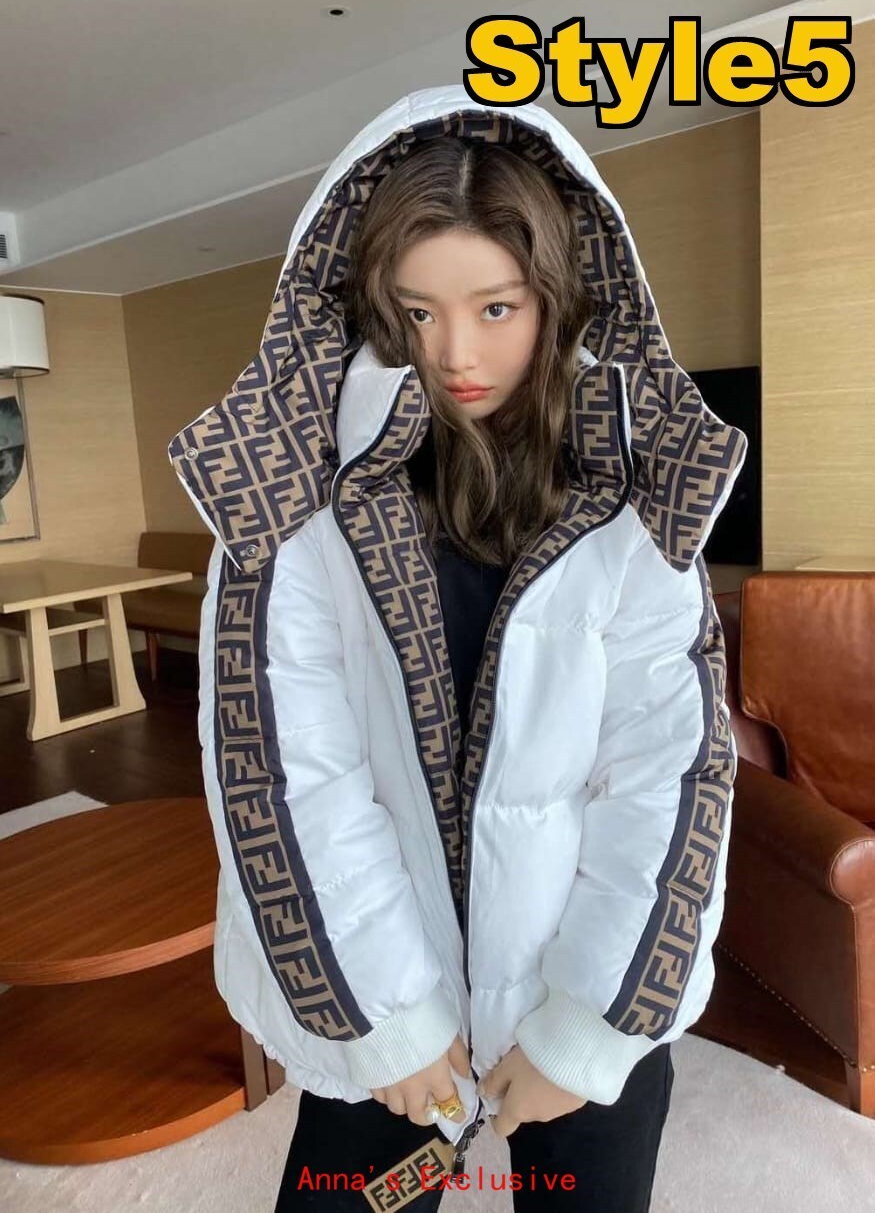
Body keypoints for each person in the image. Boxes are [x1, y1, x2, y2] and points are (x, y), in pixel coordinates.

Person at [167, 85, 748, 1211]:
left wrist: (589, 1027)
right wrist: (386, 1021)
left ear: (555, 301)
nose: (455, 352)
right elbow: (281, 773)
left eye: (495, 306)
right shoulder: (290, 503)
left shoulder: (634, 498)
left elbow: (672, 770)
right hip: (383, 1001)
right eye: (416, 310)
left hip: (575, 990)